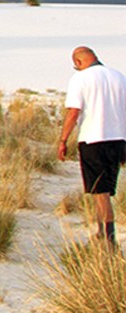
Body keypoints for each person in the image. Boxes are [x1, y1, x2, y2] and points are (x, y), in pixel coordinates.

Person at [58, 46, 126, 245]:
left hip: (93, 139)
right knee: (104, 191)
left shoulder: (80, 78)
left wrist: (63, 140)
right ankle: (99, 233)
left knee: (100, 192)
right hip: (119, 140)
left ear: (78, 62)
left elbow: (73, 113)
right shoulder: (119, 77)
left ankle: (109, 238)